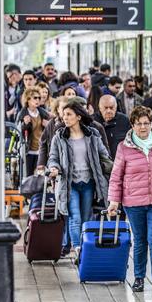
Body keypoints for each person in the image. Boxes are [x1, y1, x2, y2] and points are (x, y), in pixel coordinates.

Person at [107, 105, 152, 296]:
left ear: (151, 123)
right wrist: (114, 201)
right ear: (133, 125)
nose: (143, 127)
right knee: (139, 241)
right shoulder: (124, 148)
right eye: (139, 124)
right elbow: (116, 177)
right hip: (133, 202)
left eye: (146, 123)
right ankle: (138, 278)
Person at [48, 101, 111, 261]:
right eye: (64, 115)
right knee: (74, 217)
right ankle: (78, 250)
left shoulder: (92, 135)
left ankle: (84, 247)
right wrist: (54, 168)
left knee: (86, 218)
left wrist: (115, 168)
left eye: (69, 114)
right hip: (70, 184)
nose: (65, 118)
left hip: (89, 183)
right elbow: (53, 157)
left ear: (78, 116)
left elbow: (105, 156)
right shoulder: (59, 137)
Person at [16, 87, 50, 177]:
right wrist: (24, 124)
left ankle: (38, 191)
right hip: (28, 150)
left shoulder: (43, 113)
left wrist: (48, 125)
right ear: (28, 99)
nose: (38, 100)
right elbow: (16, 132)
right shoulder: (22, 113)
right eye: (35, 98)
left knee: (40, 176)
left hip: (41, 150)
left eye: (39, 98)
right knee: (28, 175)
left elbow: (52, 129)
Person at [94, 95, 131, 159]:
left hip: (120, 161)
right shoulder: (92, 121)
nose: (109, 111)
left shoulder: (124, 120)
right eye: (105, 108)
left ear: (116, 107)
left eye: (111, 108)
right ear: (100, 108)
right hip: (101, 162)